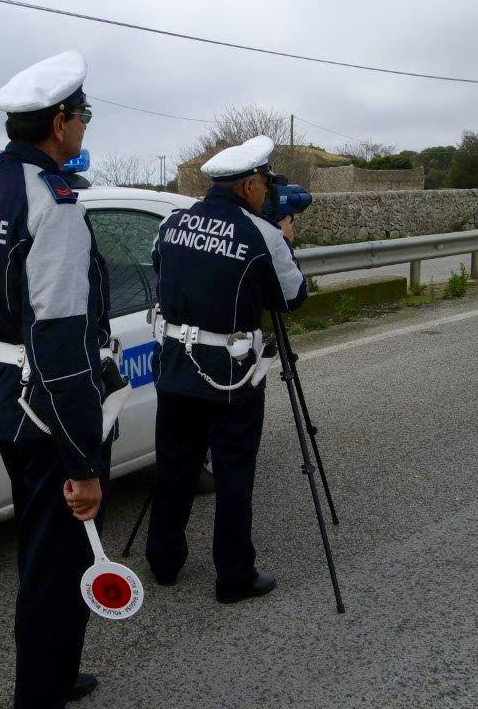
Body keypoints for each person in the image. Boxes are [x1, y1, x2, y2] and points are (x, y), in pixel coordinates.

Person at [0, 50, 112, 708]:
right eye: (84, 116)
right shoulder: (55, 201)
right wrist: (85, 460)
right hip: (48, 411)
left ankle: (59, 671)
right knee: (53, 566)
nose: (85, 127)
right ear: (61, 122)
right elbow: (63, 341)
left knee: (45, 550)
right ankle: (39, 694)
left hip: (7, 403)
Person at [145, 135, 307, 603]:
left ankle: (164, 562)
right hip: (232, 375)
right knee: (234, 472)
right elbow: (292, 298)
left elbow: (161, 265)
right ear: (251, 185)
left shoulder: (172, 224)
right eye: (265, 184)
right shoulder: (265, 235)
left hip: (175, 365)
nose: (267, 193)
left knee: (175, 464)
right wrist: (286, 243)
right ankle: (233, 576)